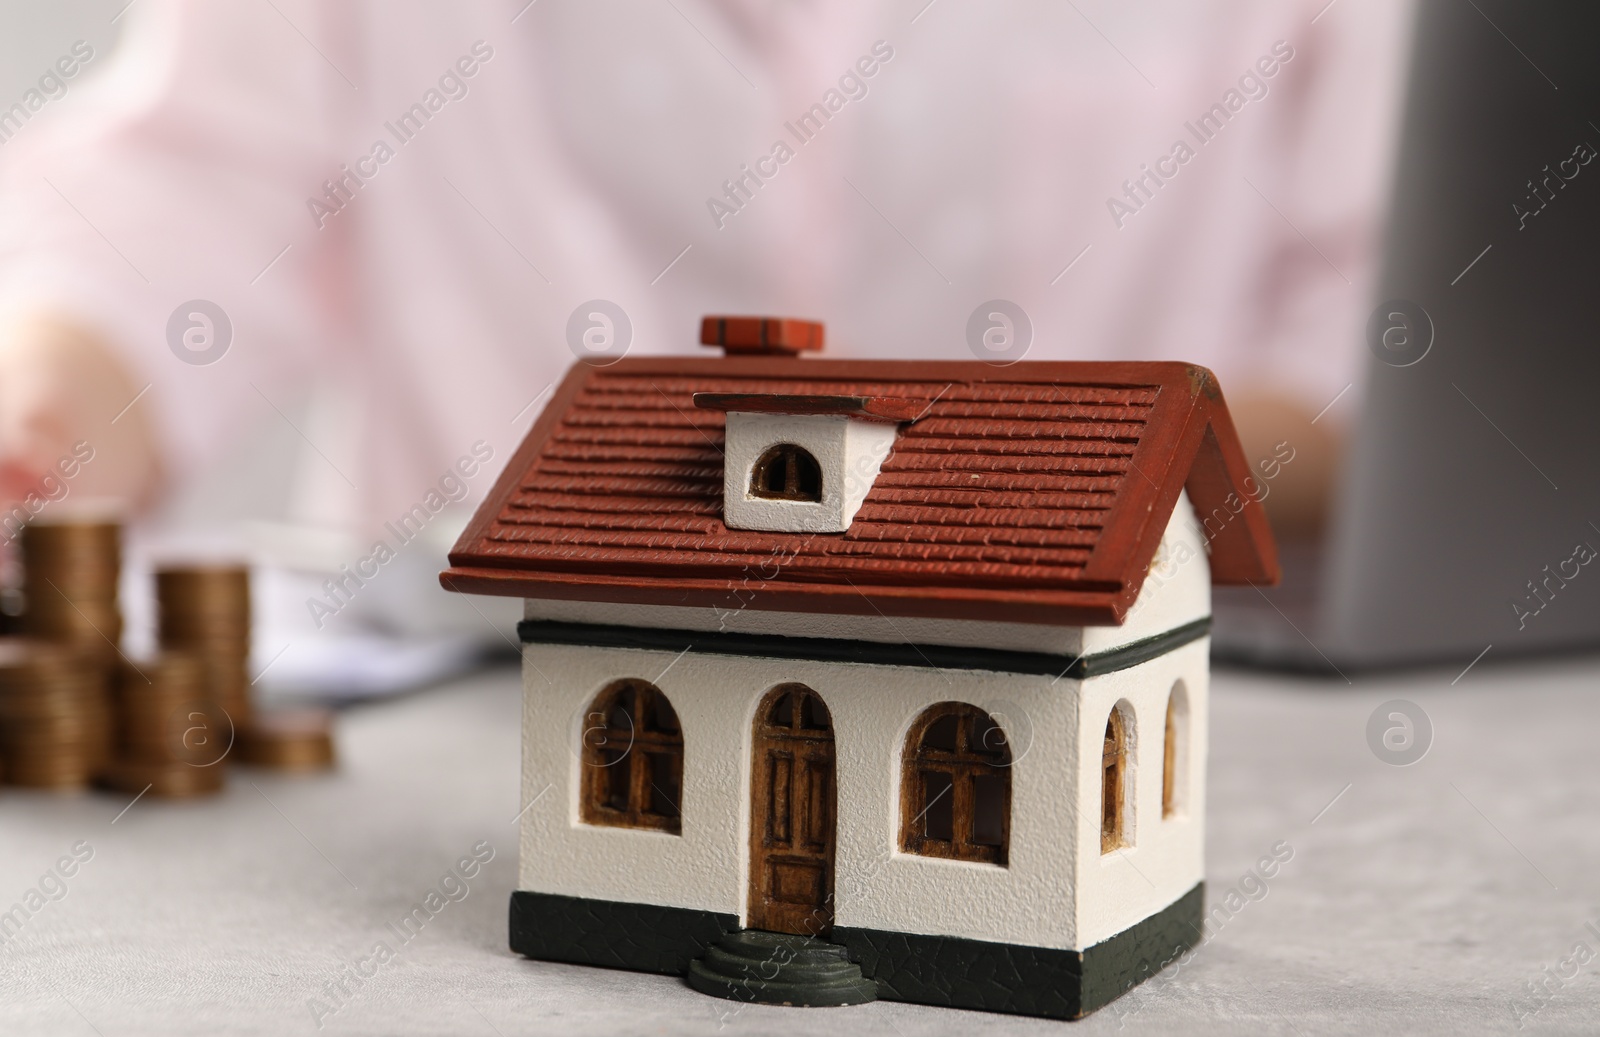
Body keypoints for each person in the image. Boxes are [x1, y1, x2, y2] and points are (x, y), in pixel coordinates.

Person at [0, 0, 1412, 570]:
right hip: (467, 743)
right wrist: (47, 408)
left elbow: (1396, 372)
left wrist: (996, 515)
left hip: (1128, 720)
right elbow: (180, 202)